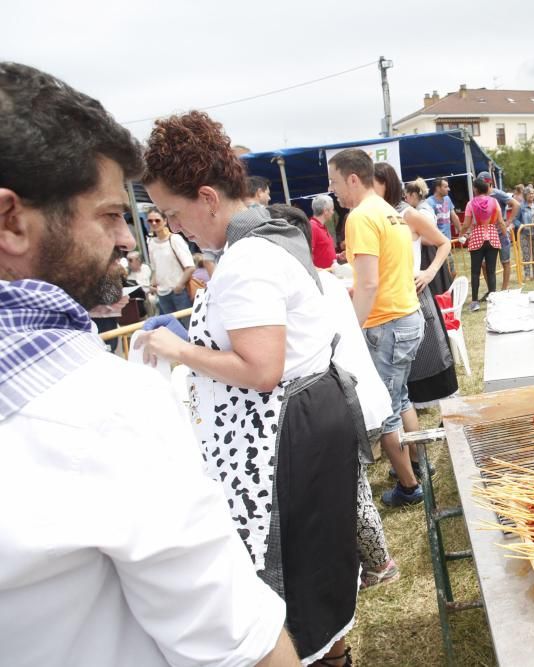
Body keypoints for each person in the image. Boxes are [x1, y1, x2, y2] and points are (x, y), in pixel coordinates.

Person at [0, 62, 297, 667]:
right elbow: (240, 645)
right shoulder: (99, 406)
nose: (128, 238)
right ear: (11, 222)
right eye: (109, 215)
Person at [136, 111, 361, 666]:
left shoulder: (248, 260)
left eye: (172, 212)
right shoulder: (273, 234)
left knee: (293, 571)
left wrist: (178, 350)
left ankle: (314, 653)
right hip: (309, 418)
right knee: (319, 559)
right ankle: (331, 652)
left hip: (282, 437)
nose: (173, 224)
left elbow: (261, 369)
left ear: (208, 197)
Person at [268, 202, 401, 587]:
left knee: (352, 491)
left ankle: (380, 565)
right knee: (349, 489)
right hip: (361, 397)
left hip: (348, 402)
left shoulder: (300, 289)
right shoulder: (323, 279)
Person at [328, 149, 426, 509]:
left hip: (387, 323)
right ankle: (414, 463)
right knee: (399, 399)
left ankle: (409, 485)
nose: (332, 190)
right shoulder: (389, 211)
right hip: (406, 317)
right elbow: (380, 275)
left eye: (335, 182)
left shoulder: (360, 217)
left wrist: (351, 329)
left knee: (383, 409)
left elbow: (368, 284)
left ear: (353, 179)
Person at [372, 165, 456, 415]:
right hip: (387, 299)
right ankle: (408, 410)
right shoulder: (373, 214)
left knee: (428, 354)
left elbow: (443, 242)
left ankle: (437, 411)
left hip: (413, 293)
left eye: (371, 182)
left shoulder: (408, 214)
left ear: (385, 183)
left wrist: (429, 272)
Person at [146, 206, 195, 325]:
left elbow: (190, 266)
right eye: (150, 221)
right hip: (162, 293)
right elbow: (155, 268)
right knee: (172, 328)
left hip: (179, 291)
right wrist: (153, 284)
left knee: (188, 326)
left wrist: (179, 285)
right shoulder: (151, 243)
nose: (154, 223)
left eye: (157, 220)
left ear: (165, 221)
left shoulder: (174, 239)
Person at [461, 178, 504, 311]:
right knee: (491, 271)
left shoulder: (470, 204)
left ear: (475, 189)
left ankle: (474, 302)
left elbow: (466, 224)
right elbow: (501, 221)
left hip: (477, 237)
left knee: (475, 272)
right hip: (492, 235)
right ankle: (493, 300)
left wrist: (461, 233)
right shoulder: (494, 202)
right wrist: (504, 233)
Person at [477, 170, 519, 291]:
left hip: (501, 234)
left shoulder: (497, 193)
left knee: (505, 261)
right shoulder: (479, 196)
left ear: (489, 183)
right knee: (484, 264)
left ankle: (504, 289)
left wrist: (508, 222)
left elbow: (516, 204)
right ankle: (492, 291)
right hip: (487, 235)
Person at [516, 187, 534, 280]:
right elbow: (515, 220)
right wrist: (522, 226)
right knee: (526, 254)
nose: (531, 195)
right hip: (525, 233)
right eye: (529, 194)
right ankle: (527, 274)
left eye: (532, 193)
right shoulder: (521, 206)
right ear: (525, 195)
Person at [309, 194, 338, 269]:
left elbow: (321, 251)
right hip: (324, 277)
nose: (333, 212)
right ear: (325, 211)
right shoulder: (313, 227)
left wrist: (337, 256)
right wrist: (321, 271)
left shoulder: (320, 226)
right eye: (332, 209)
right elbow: (307, 256)